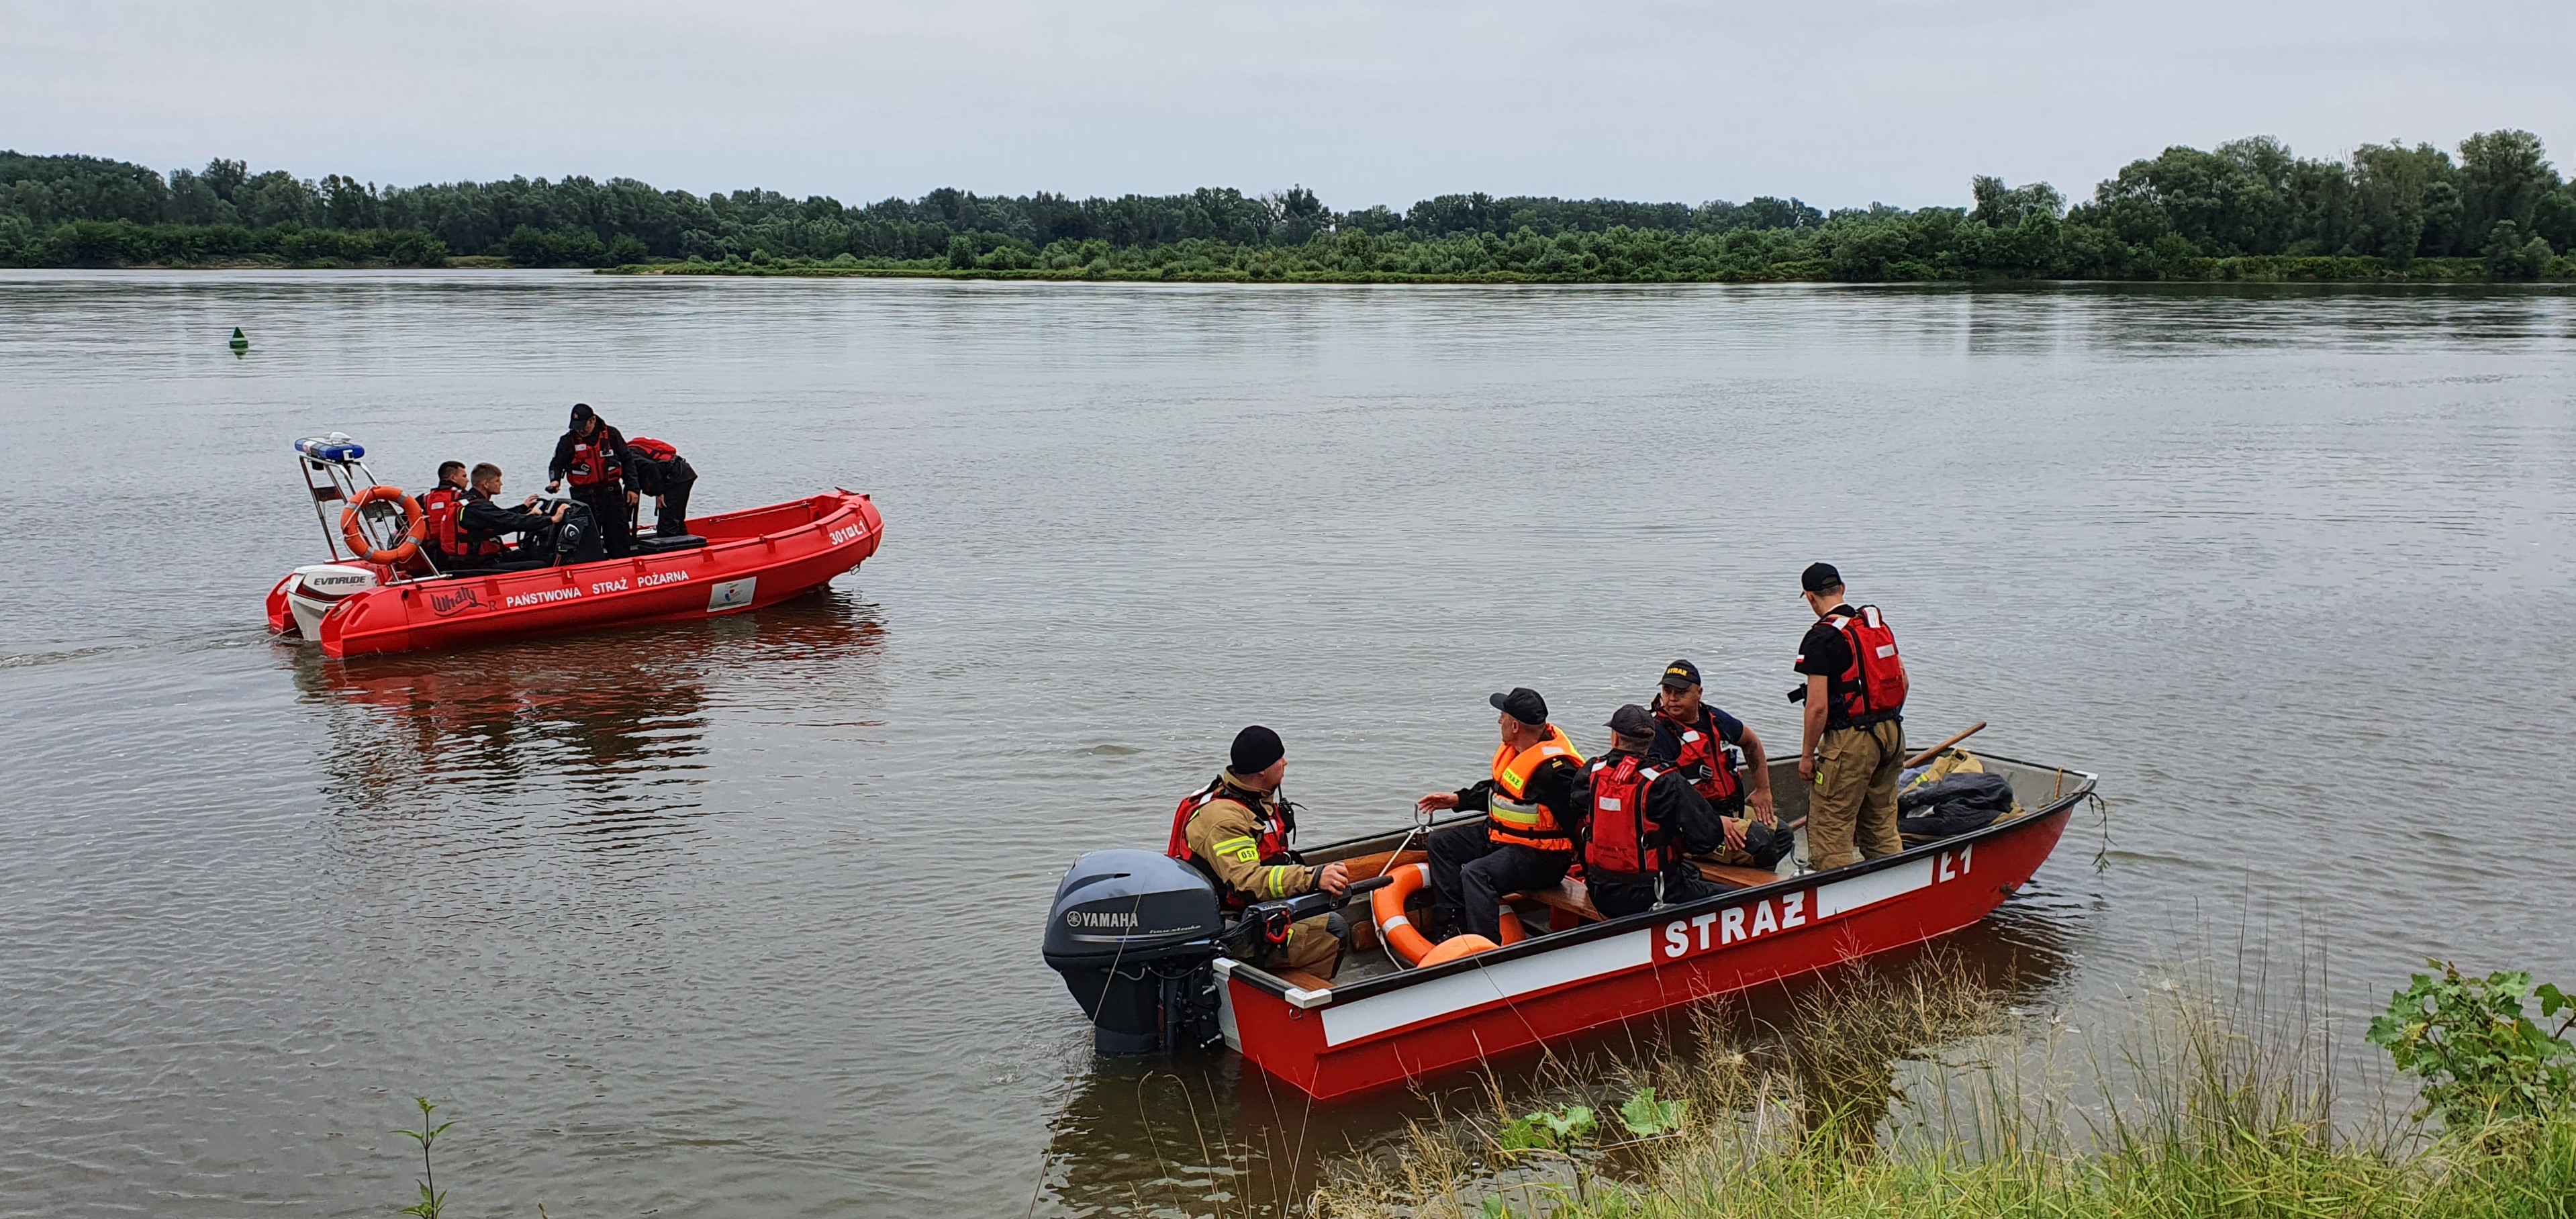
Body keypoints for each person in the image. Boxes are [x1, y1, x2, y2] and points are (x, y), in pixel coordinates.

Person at [1165, 726, 1352, 977]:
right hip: (1230, 929)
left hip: (1254, 909)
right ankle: (1298, 998)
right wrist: (1313, 877)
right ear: (1262, 770)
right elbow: (1246, 880)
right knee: (1333, 928)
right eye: (1279, 759)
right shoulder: (1223, 819)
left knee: (1320, 907)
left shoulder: (1252, 797)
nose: (1285, 763)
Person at [1415, 687, 1584, 942]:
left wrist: (1594, 873)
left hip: (1543, 858)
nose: (1498, 721)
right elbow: (1504, 792)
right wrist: (1458, 800)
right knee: (1441, 843)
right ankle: (1453, 930)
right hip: (1502, 840)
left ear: (1515, 725)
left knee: (1475, 874)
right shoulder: (1518, 751)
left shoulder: (1556, 772)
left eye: (1502, 716)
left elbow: (1580, 821)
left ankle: (1484, 948)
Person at [1795, 563, 1910, 870]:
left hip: (1851, 741)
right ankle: (1895, 887)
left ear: (1809, 597)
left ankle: (1836, 902)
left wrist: (1807, 755)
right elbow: (1903, 681)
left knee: (1830, 826)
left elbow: (1818, 707)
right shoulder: (1872, 626)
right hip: (1892, 733)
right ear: (1842, 589)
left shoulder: (1821, 638)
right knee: (1882, 823)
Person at [1569, 705, 1727, 918]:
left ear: (1615, 738)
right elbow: (1709, 836)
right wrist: (1674, 844)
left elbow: (1577, 810)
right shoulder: (1665, 780)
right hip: (1655, 894)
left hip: (1600, 890)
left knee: (1692, 873)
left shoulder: (1591, 772)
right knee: (1735, 897)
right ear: (1650, 742)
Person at [1649, 659, 1791, 870]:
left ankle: (1733, 869)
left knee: (1783, 835)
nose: (1672, 699)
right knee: (1763, 845)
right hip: (1692, 825)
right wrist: (1714, 823)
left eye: (1680, 692)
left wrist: (1763, 790)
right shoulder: (1659, 734)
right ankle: (1698, 863)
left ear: (1699, 693)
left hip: (1727, 810)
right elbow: (1663, 796)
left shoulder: (1715, 719)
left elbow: (1751, 742)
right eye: (1667, 691)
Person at [546, 403, 636, 558]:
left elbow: (627, 461)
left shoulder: (611, 435)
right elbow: (556, 465)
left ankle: (623, 568)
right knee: (587, 542)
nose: (580, 430)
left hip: (612, 495)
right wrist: (555, 481)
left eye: (583, 426)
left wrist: (632, 488)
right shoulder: (568, 441)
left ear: (593, 420)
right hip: (583, 498)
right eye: (576, 427)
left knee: (619, 538)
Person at [458, 462, 570, 565]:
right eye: (497, 481)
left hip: (480, 557)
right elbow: (511, 521)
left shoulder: (472, 501)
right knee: (539, 565)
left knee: (526, 554)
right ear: (486, 484)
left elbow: (500, 516)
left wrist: (524, 508)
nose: (501, 484)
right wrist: (552, 519)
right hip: (481, 562)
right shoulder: (478, 507)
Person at [622, 435, 697, 538]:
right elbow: (631, 486)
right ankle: (681, 537)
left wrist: (659, 493)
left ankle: (673, 545)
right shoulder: (628, 456)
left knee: (669, 521)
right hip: (676, 474)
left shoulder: (629, 457)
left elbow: (651, 467)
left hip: (678, 476)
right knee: (675, 518)